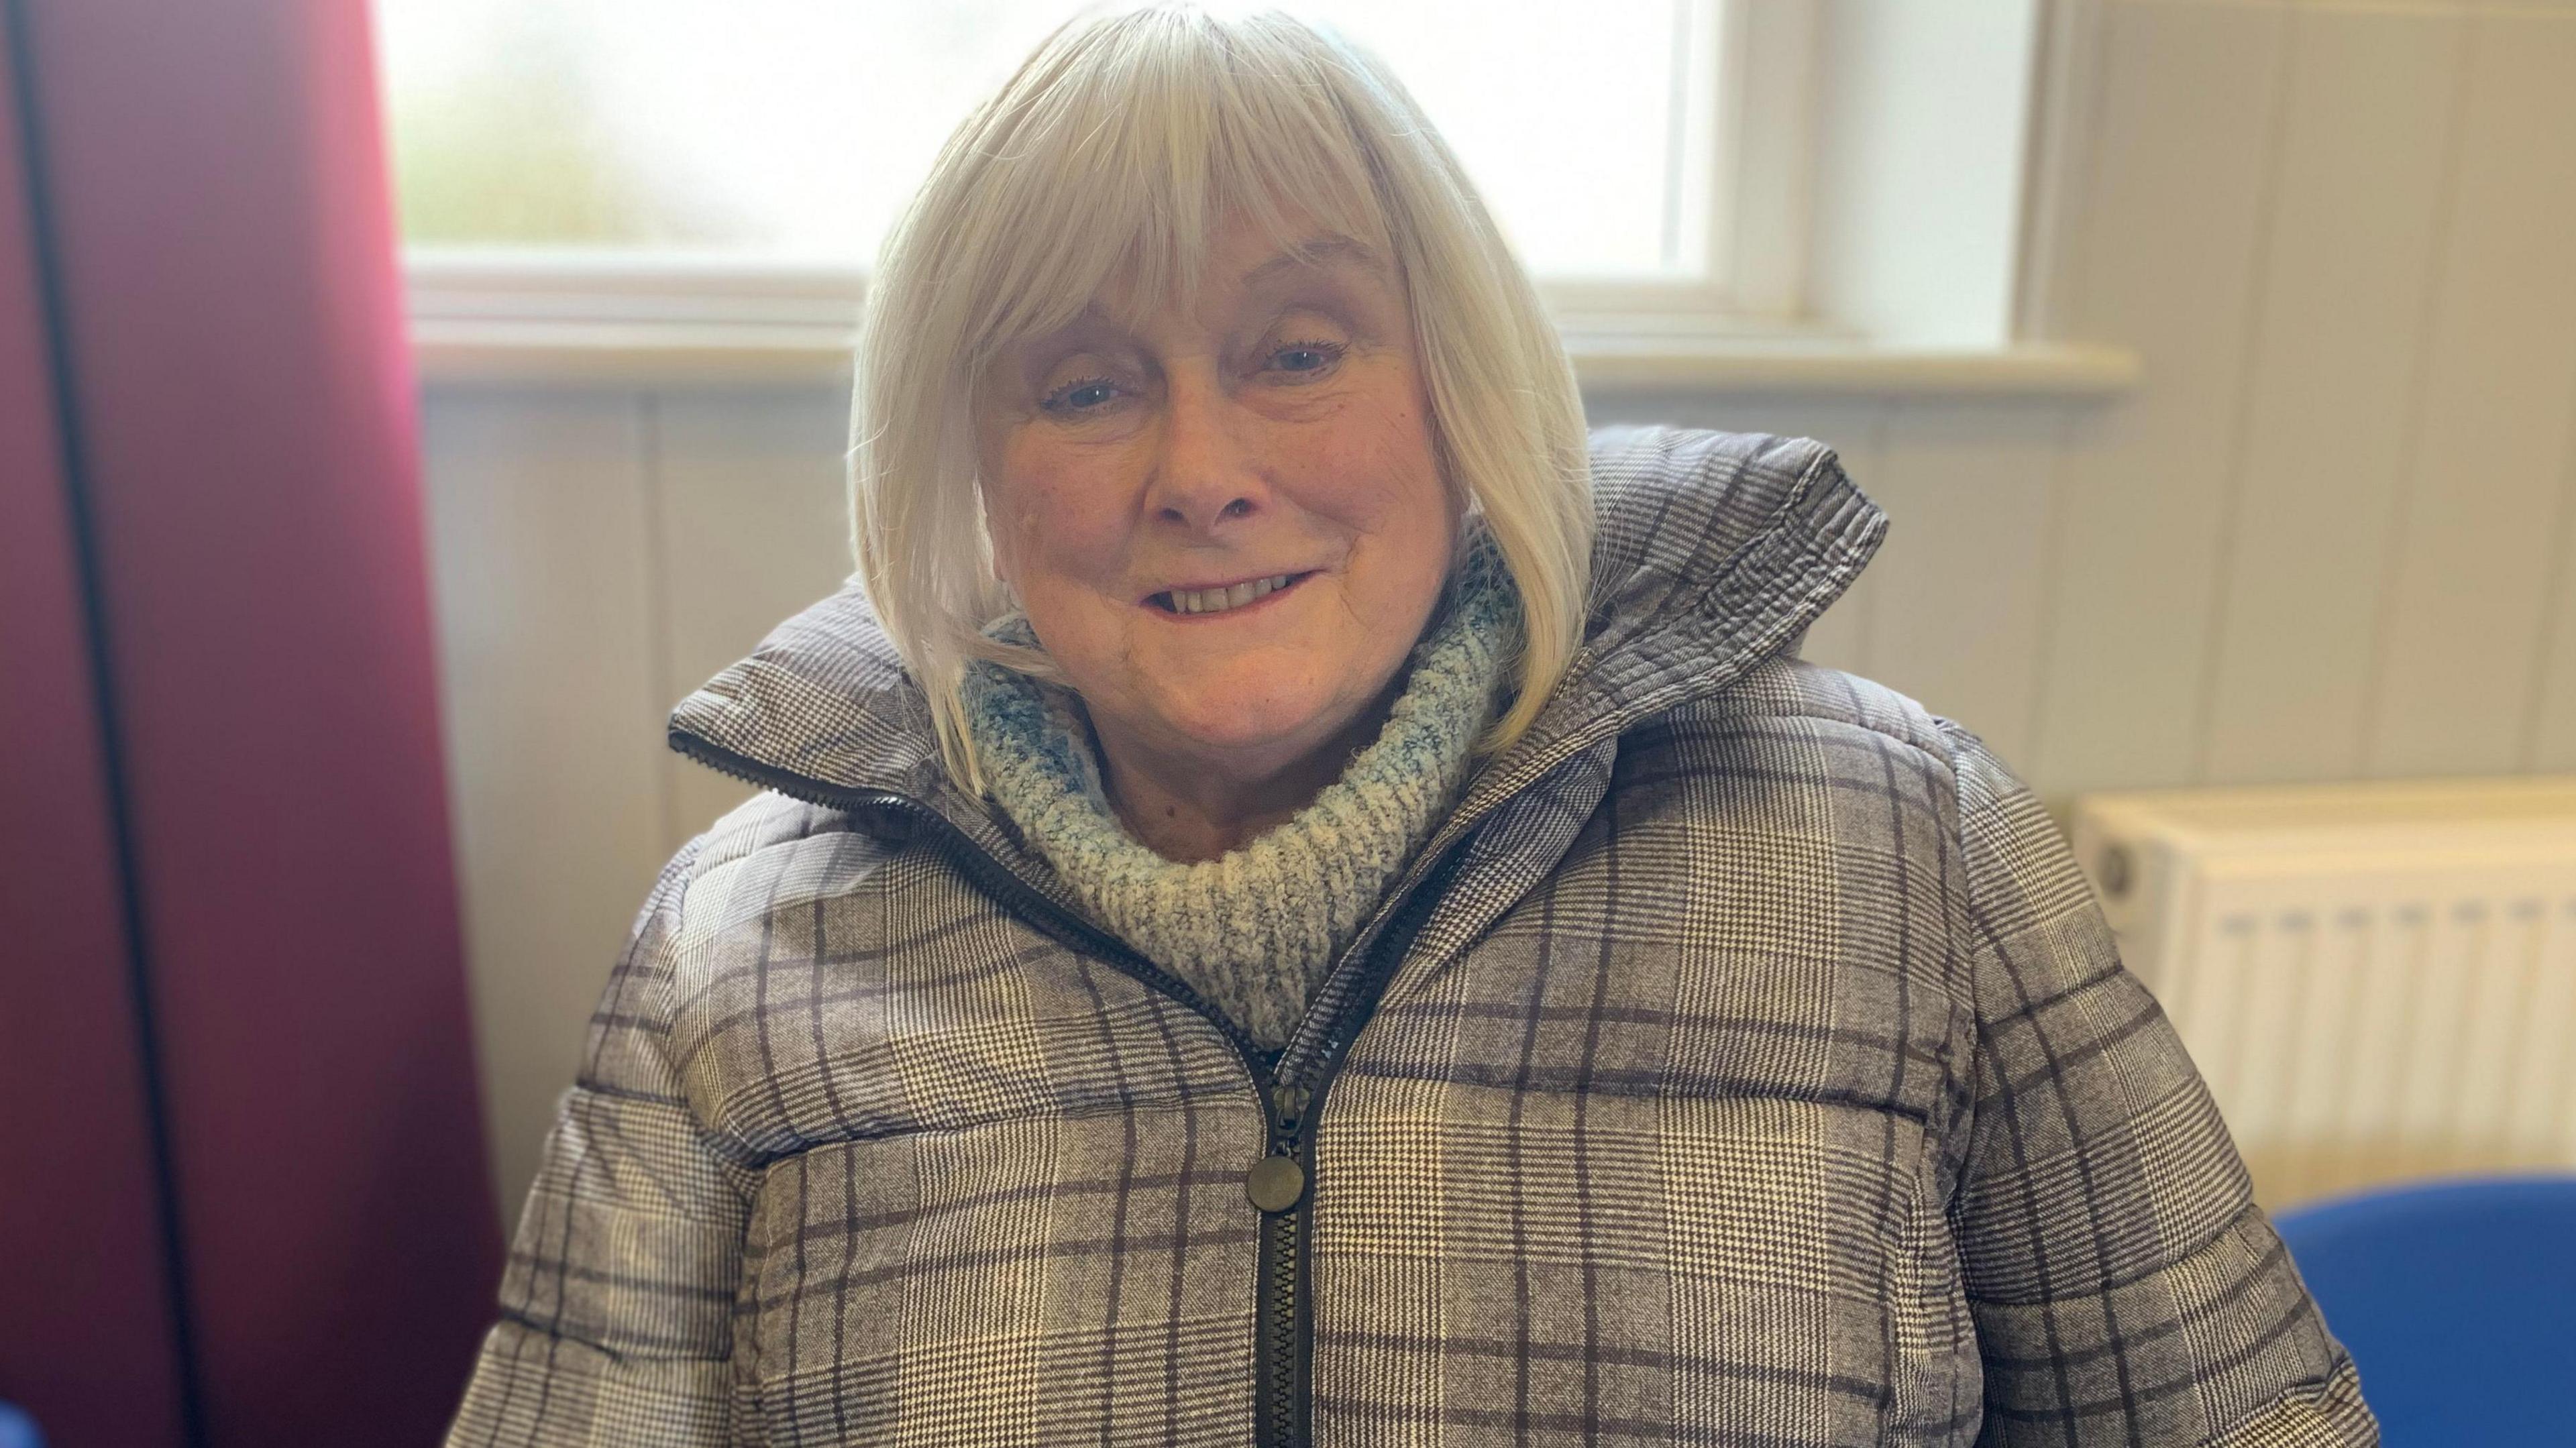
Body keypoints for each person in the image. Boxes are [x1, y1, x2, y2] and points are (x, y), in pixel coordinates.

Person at [444, 5, 2380, 1444]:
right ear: (973, 467)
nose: (1202, 470)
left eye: (1298, 351)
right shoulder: (737, 951)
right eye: (1089, 382)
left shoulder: (1905, 847)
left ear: (1461, 389)